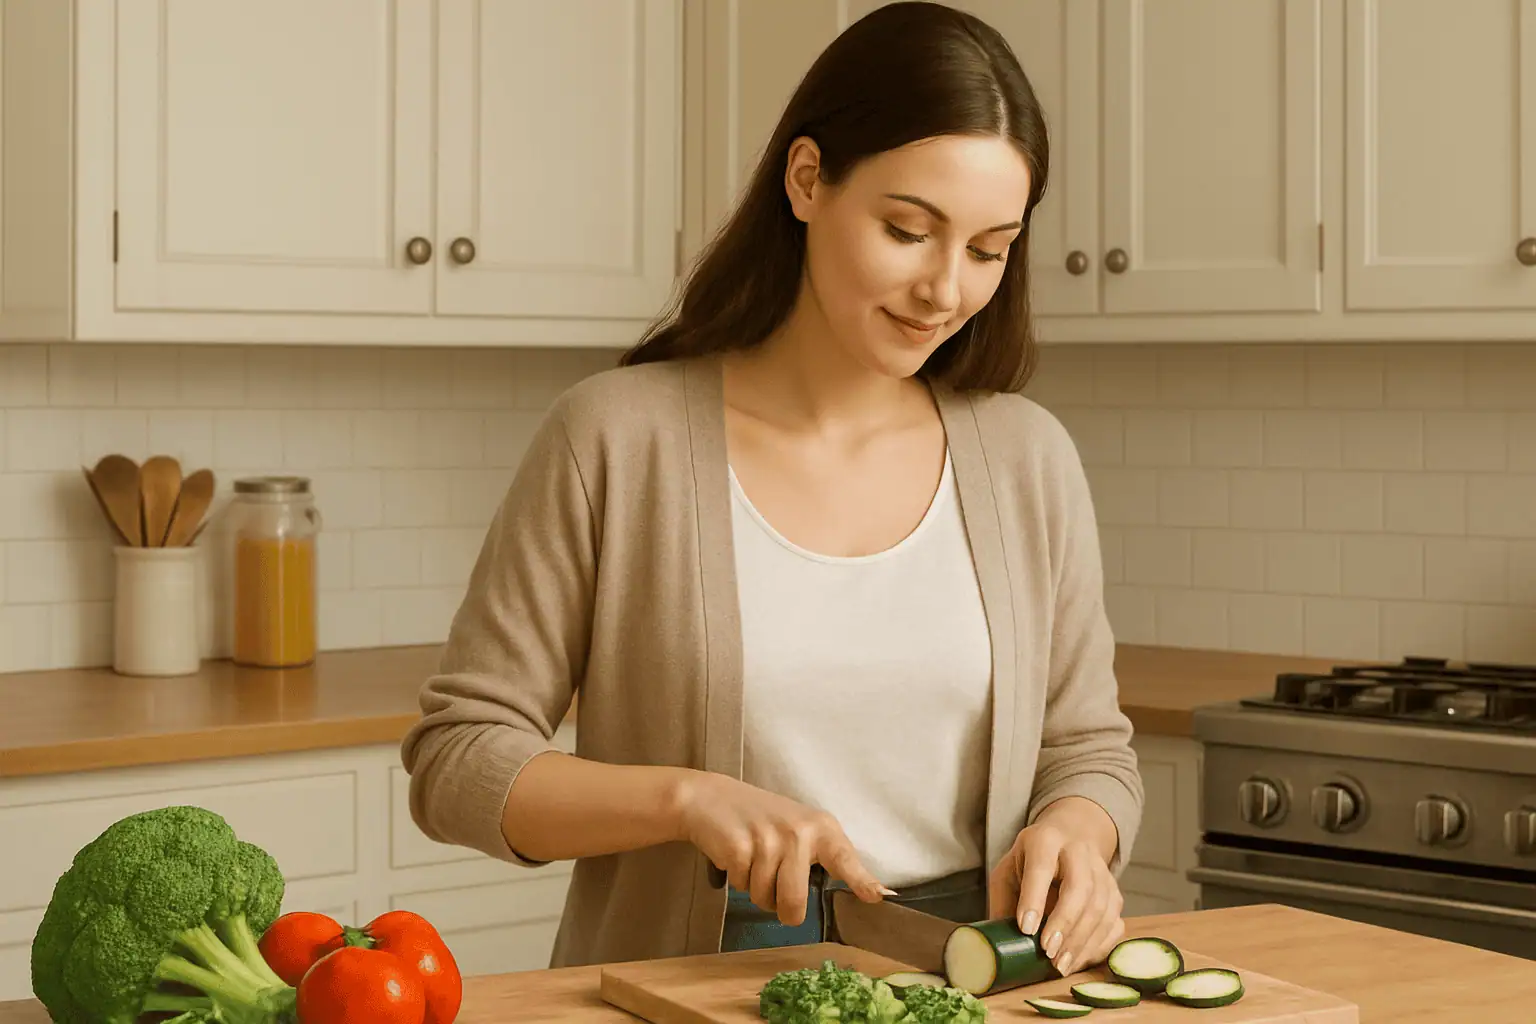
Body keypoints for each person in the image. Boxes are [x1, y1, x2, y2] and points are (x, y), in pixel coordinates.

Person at [400, 0, 1143, 979]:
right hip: (693, 977)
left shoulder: (1027, 458)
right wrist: (684, 800)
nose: (946, 289)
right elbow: (458, 757)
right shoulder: (617, 438)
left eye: (988, 249)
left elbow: (1089, 744)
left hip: (973, 974)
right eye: (908, 230)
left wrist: (1080, 834)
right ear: (807, 180)